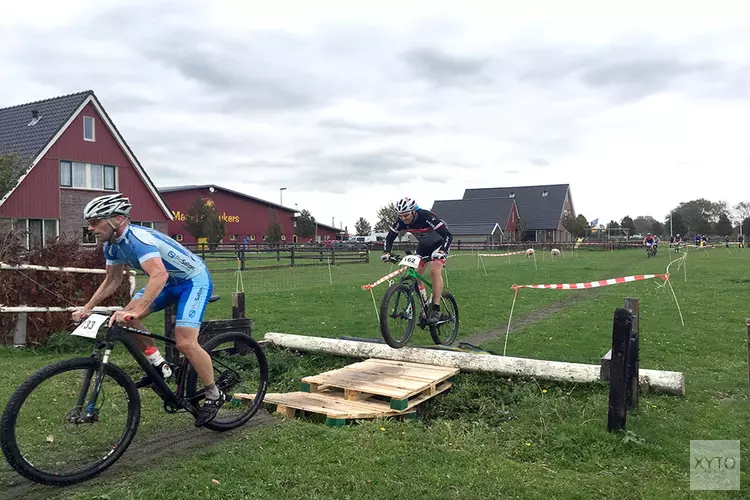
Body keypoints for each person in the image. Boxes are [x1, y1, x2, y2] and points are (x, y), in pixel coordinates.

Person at [72, 193, 224, 427]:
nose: (90, 228)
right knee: (122, 320)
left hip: (193, 280)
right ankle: (161, 366)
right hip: (168, 282)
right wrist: (87, 307)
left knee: (185, 343)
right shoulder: (112, 246)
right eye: (89, 223)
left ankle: (214, 394)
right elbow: (112, 280)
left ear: (118, 220)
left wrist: (138, 310)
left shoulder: (137, 240)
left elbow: (159, 274)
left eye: (95, 222)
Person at [381, 197, 453, 324]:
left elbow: (447, 235)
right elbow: (389, 238)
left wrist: (441, 252)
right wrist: (387, 252)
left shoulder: (426, 216)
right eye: (401, 216)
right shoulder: (401, 221)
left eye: (406, 215)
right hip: (423, 248)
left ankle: (435, 307)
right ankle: (424, 305)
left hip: (439, 245)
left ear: (414, 211)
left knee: (435, 271)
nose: (404, 218)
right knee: (415, 274)